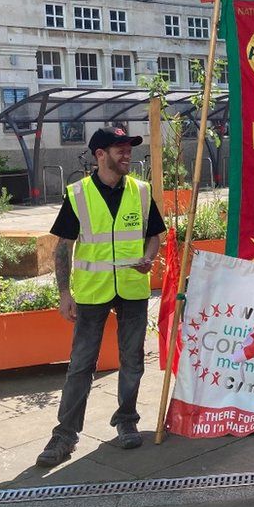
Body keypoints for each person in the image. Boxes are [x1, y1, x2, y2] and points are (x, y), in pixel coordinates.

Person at [37, 127, 166, 467]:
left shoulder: (141, 190)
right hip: (92, 292)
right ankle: (64, 436)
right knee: (80, 364)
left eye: (128, 149)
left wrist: (149, 257)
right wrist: (64, 292)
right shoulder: (78, 193)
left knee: (133, 360)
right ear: (100, 155)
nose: (127, 154)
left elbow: (156, 235)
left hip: (132, 289)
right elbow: (63, 247)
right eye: (120, 149)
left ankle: (126, 420)